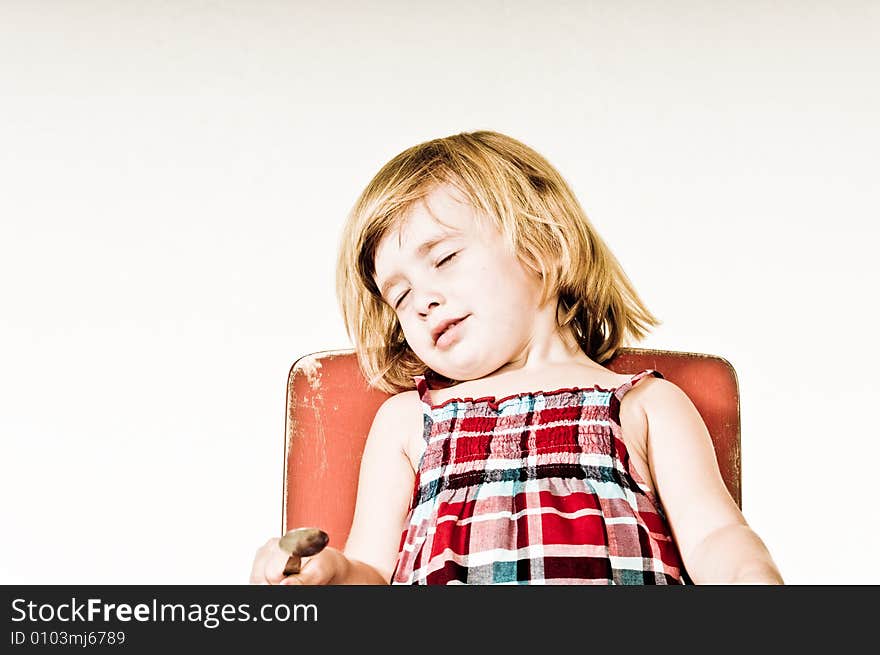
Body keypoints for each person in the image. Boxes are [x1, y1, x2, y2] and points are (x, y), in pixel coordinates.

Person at [250, 130, 784, 585]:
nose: (423, 300)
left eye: (446, 257)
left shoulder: (646, 404)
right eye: (400, 296)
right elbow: (371, 569)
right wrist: (332, 574)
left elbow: (715, 534)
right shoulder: (409, 421)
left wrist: (750, 578)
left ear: (543, 245)